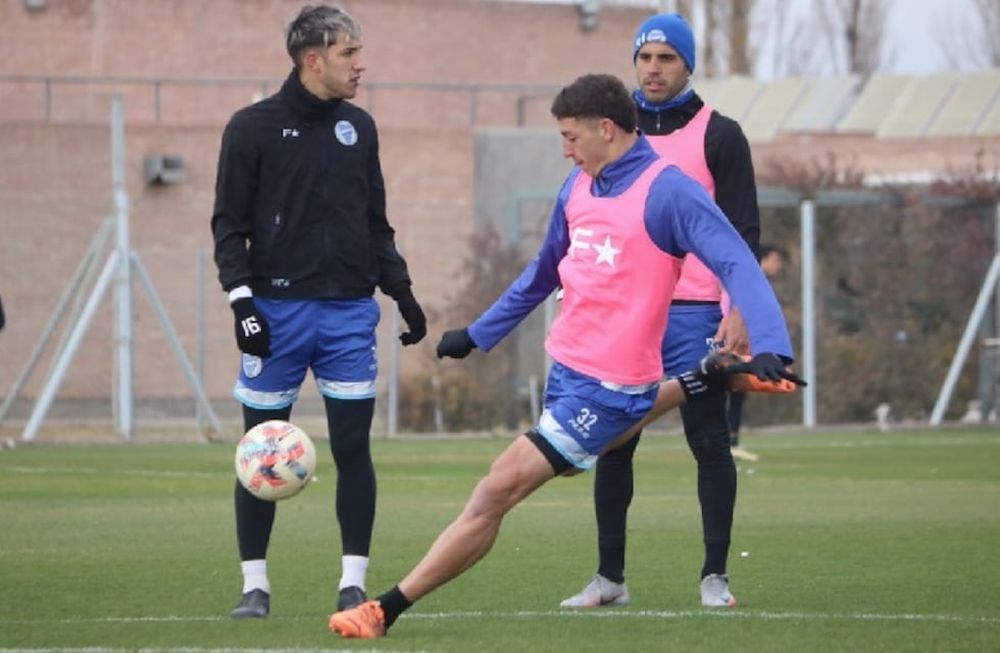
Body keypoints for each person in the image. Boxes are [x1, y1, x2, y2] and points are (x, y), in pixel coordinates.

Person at [327, 73, 802, 639]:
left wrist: (772, 344)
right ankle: (707, 379)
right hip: (571, 372)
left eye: (571, 136)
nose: (565, 147)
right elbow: (542, 271)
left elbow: (736, 263)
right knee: (616, 428)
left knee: (495, 490)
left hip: (609, 388)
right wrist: (480, 334)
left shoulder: (668, 190)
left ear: (606, 129)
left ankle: (385, 608)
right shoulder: (579, 184)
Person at [210, 3, 426, 619]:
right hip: (275, 315)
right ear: (313, 59)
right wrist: (242, 304)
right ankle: (255, 586)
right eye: (349, 53)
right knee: (258, 449)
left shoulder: (360, 128)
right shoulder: (249, 128)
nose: (361, 65)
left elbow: (374, 222)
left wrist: (401, 291)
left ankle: (353, 583)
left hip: (348, 314)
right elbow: (229, 226)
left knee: (354, 447)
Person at [560, 13, 764, 611]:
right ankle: (609, 579)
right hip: (625, 312)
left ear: (688, 64)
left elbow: (741, 235)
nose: (653, 68)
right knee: (613, 441)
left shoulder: (719, 135)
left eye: (666, 58)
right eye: (645, 57)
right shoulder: (610, 131)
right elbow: (587, 216)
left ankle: (715, 577)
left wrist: (738, 311)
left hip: (697, 313)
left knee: (709, 441)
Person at [728, 245, 786, 461]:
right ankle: (728, 443)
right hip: (737, 343)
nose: (778, 265)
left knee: (737, 393)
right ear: (762, 261)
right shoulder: (748, 283)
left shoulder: (757, 284)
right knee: (730, 391)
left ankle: (731, 442)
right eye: (775, 260)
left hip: (749, 345)